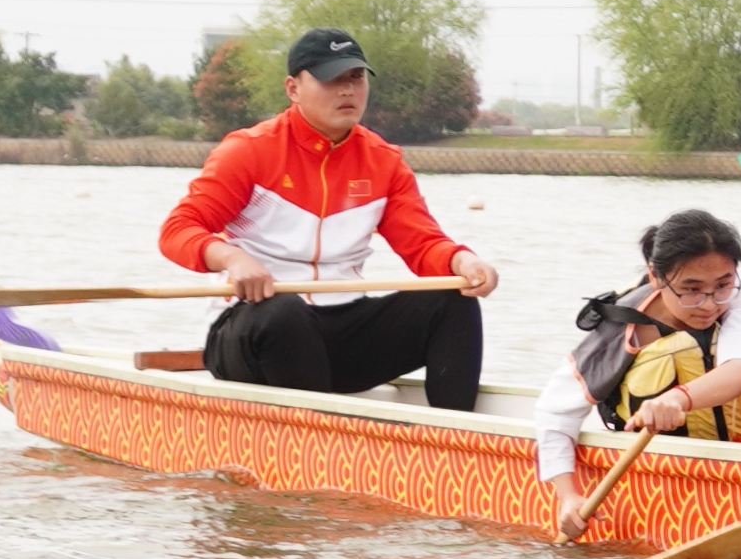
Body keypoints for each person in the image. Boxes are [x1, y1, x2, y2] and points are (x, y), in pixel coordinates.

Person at [159, 26, 499, 403]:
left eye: (355, 77)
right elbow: (177, 230)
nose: (347, 90)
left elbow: (423, 245)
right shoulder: (248, 151)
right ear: (293, 88)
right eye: (331, 79)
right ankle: (312, 432)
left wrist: (463, 261)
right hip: (254, 330)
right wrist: (231, 258)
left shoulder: (384, 161)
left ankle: (452, 431)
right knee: (284, 313)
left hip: (342, 334)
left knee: (453, 299)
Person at [532, 209, 741, 530]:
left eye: (722, 285)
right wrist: (568, 497)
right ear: (655, 277)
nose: (709, 304)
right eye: (691, 289)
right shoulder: (621, 329)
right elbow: (556, 413)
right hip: (664, 465)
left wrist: (676, 399)